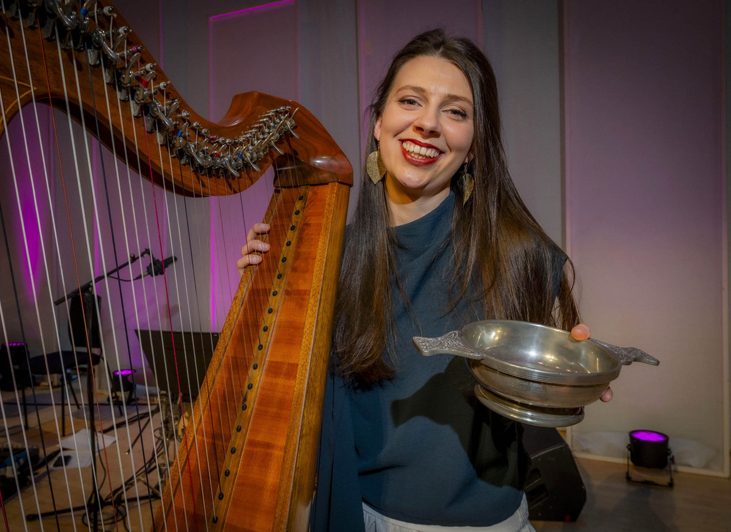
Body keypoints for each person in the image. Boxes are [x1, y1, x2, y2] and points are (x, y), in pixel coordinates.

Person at [238, 29, 611, 532]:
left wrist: (571, 376)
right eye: (410, 100)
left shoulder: (520, 254)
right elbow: (282, 398)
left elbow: (539, 393)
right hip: (355, 513)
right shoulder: (324, 255)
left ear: (475, 144)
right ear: (379, 122)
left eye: (455, 111)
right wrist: (259, 295)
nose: (427, 123)